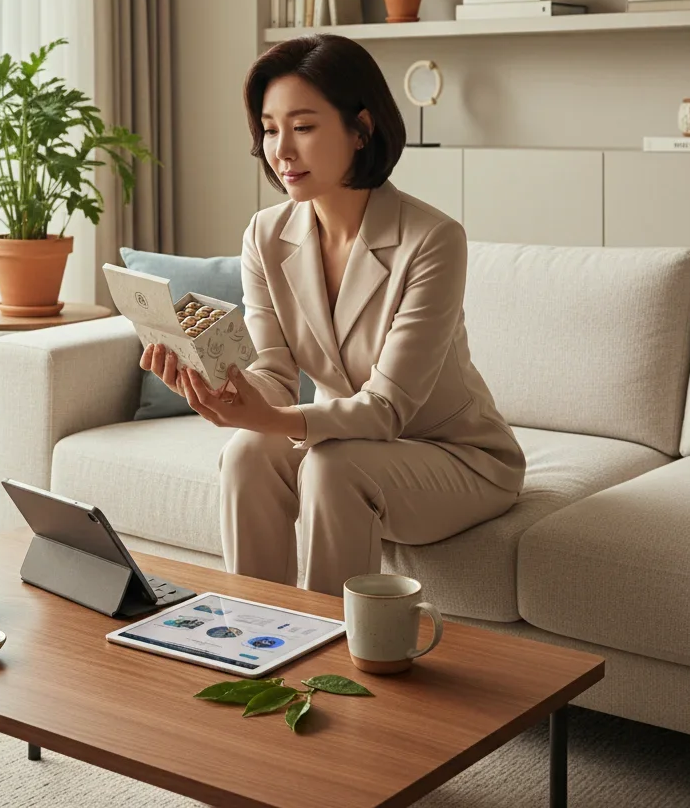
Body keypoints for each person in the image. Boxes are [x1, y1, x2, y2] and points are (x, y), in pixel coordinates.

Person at [141, 34, 526, 596]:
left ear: (360, 128)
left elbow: (387, 409)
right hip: (343, 440)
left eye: (302, 126)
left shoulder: (433, 240)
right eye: (269, 129)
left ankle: (328, 647)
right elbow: (274, 375)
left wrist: (274, 419)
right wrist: (221, 388)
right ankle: (252, 633)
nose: (281, 151)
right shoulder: (266, 234)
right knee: (247, 452)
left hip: (455, 457)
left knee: (331, 467)